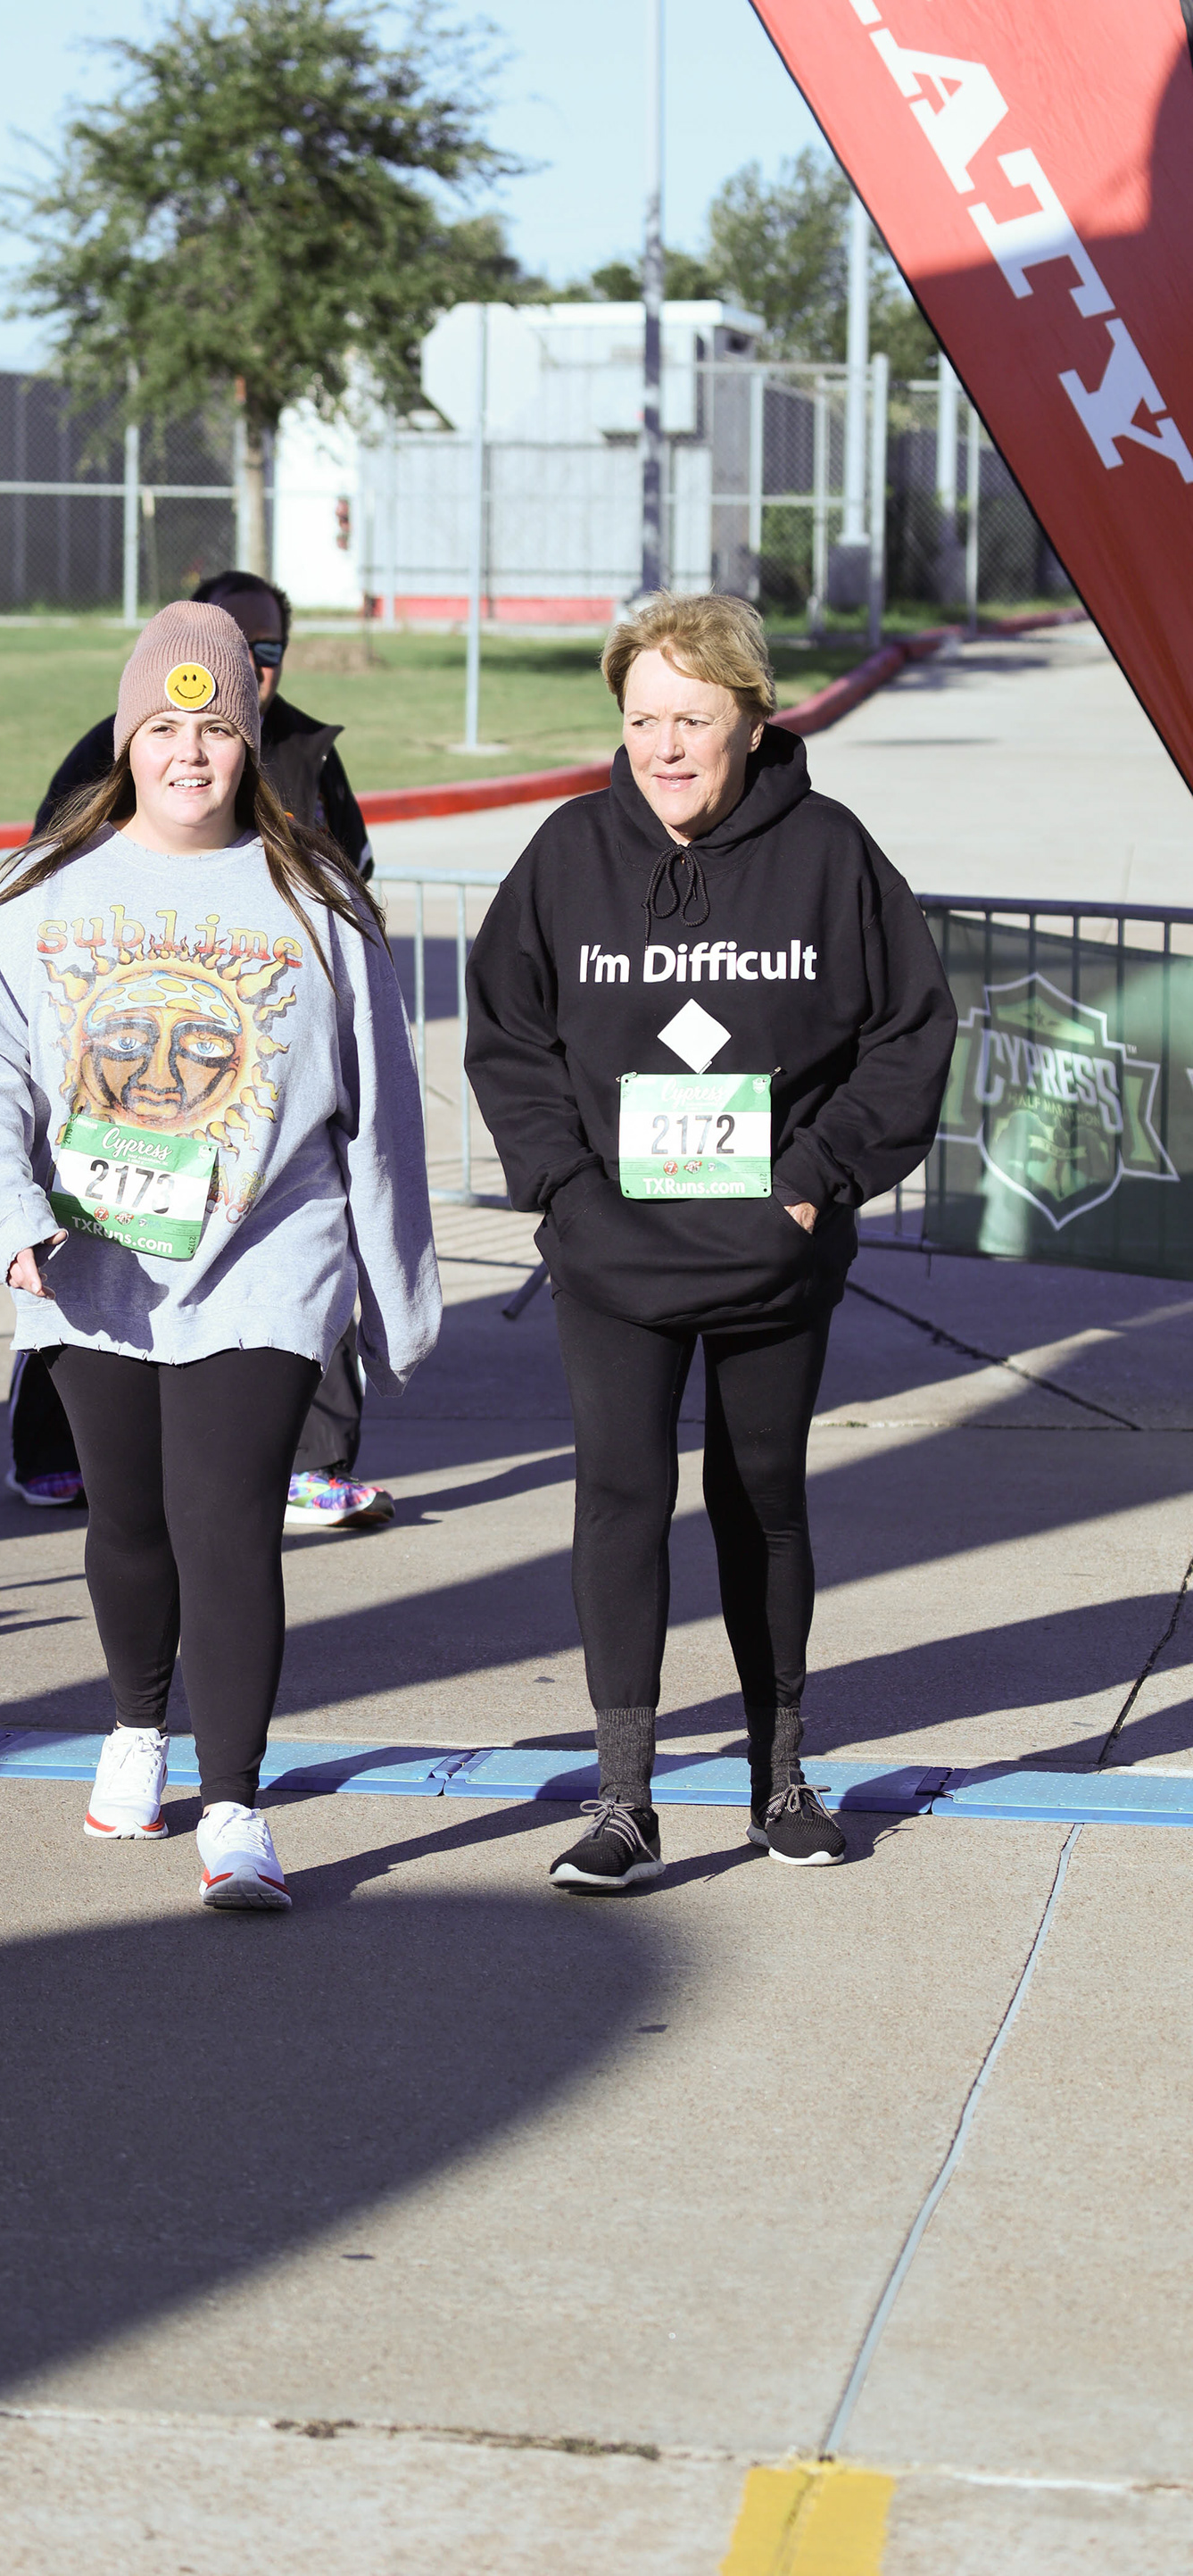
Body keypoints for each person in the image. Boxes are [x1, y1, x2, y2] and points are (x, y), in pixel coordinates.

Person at [0, 600, 438, 1911]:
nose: (189, 753)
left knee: (227, 1524)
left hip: (267, 1257)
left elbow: (383, 1109)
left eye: (214, 730)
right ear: (126, 743)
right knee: (131, 1523)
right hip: (93, 1264)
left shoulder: (318, 901)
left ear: (250, 743)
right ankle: (137, 1728)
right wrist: (4, 1218)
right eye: (162, 728)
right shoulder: (42, 894)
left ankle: (237, 1808)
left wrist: (396, 1292)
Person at [465, 592, 956, 1889]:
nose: (664, 747)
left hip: (769, 1254)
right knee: (621, 1503)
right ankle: (624, 1804)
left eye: (691, 719)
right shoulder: (570, 853)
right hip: (611, 1254)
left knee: (762, 1500)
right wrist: (565, 1188)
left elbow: (909, 1032)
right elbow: (509, 1033)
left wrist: (812, 1179)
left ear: (751, 717)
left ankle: (778, 1781)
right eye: (643, 720)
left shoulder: (830, 853)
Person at [14, 568, 392, 1534]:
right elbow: (45, 908)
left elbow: (355, 871)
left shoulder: (307, 752)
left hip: (259, 1170)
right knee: (80, 1300)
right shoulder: (102, 763)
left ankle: (316, 1462)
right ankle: (49, 1449)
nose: (253, 668)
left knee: (300, 1284)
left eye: (269, 652)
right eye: (239, 646)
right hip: (109, 1158)